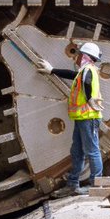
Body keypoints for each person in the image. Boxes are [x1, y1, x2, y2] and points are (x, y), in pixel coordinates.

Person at [37, 42, 104, 198]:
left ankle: (96, 184)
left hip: (89, 118)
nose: (76, 57)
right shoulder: (84, 71)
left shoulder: (88, 71)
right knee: (77, 151)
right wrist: (52, 70)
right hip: (82, 118)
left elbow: (86, 83)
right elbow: (72, 75)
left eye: (79, 54)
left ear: (85, 56)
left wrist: (89, 99)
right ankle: (73, 184)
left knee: (92, 151)